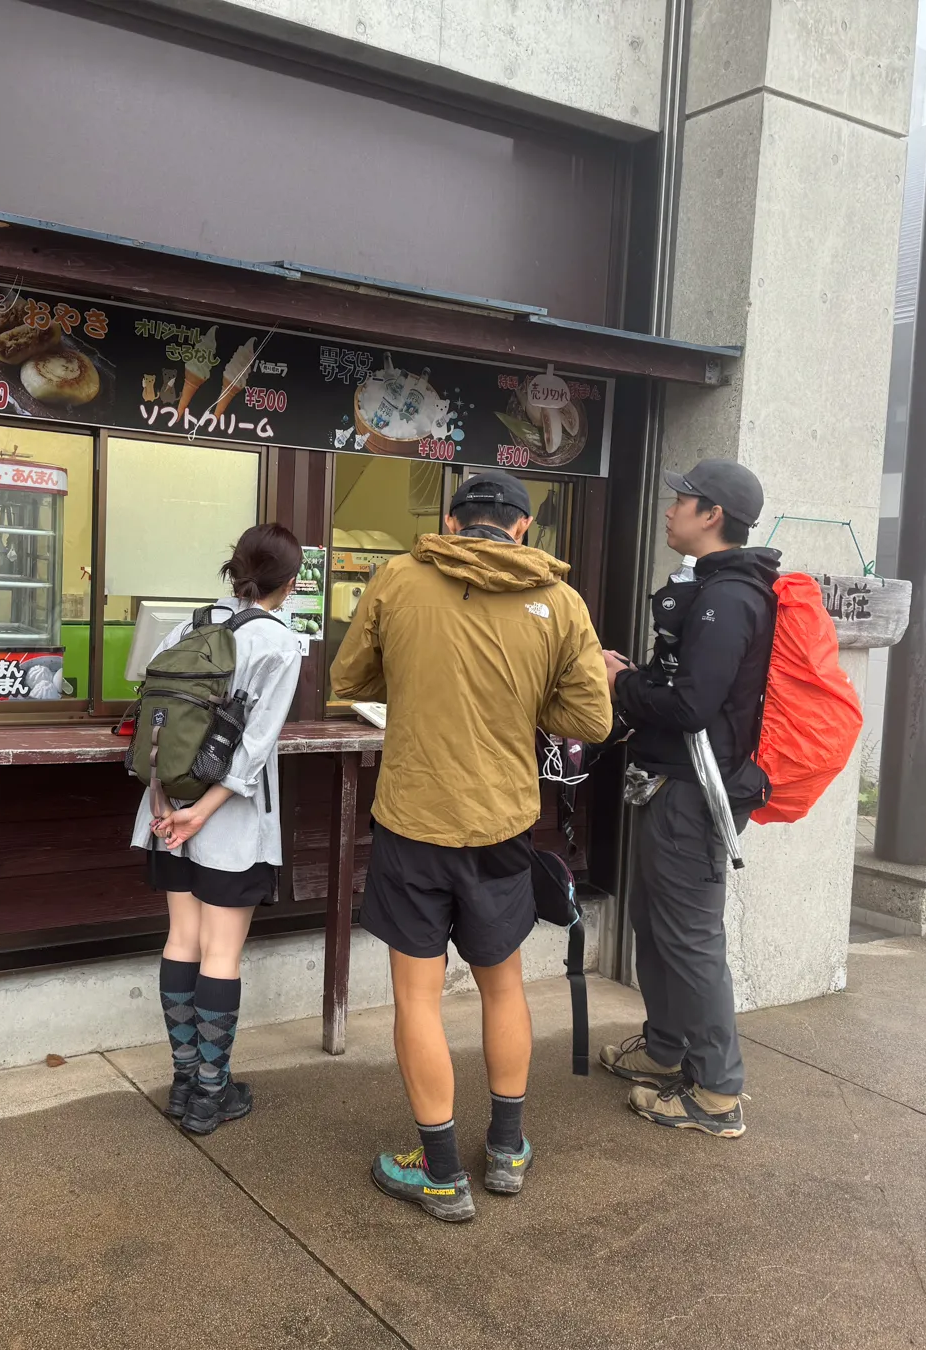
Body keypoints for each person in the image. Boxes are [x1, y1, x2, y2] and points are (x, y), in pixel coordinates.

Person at [331, 469, 614, 1222]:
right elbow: (589, 720)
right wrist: (524, 699)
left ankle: (442, 1171)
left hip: (411, 820)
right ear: (522, 528)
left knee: (416, 998)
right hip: (503, 824)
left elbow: (349, 676)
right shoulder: (561, 601)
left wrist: (424, 680)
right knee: (504, 986)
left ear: (451, 524)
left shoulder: (398, 576)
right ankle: (509, 1149)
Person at [602, 459, 779, 1139]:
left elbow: (692, 704)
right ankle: (665, 1046)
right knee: (657, 924)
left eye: (682, 500)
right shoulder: (711, 589)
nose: (669, 509)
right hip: (673, 785)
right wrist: (637, 676)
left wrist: (619, 684)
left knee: (691, 940)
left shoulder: (728, 598)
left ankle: (716, 1093)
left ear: (712, 515)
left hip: (696, 793)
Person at [133, 523, 304, 1136]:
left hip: (165, 810)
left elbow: (158, 721)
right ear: (289, 582)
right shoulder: (280, 644)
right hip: (225, 818)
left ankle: (183, 1081)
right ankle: (211, 1092)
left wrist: (171, 810)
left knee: (182, 938)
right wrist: (203, 812)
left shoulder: (192, 625)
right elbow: (254, 749)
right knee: (222, 951)